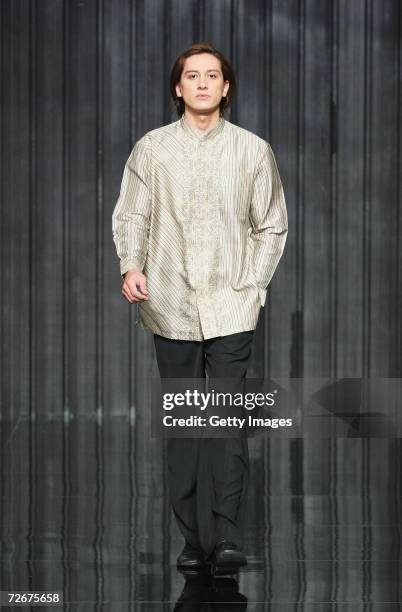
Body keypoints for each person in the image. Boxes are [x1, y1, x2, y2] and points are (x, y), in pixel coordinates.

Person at [112, 41, 288, 574]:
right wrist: (132, 266)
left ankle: (226, 534)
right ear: (178, 87)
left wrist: (251, 284)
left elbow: (271, 224)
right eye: (193, 76)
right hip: (169, 301)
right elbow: (133, 214)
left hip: (231, 304)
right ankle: (192, 538)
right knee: (187, 422)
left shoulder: (253, 150)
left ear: (227, 86)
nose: (204, 84)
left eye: (213, 75)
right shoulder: (153, 149)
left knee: (225, 421)